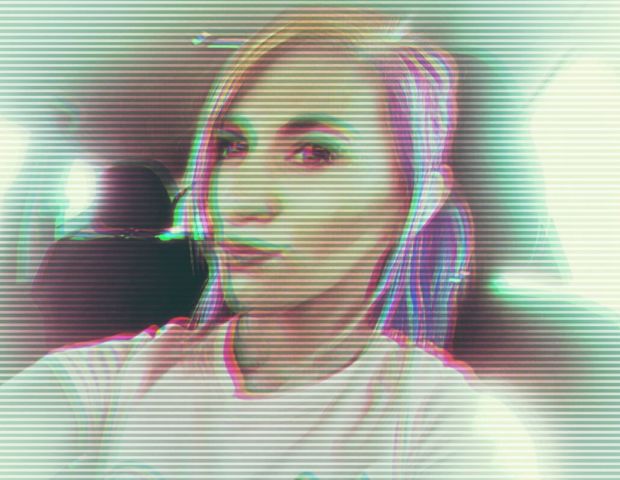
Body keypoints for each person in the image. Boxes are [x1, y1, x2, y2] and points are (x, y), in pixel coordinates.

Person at [0, 8, 538, 479]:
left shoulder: (441, 415)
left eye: (315, 153)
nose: (237, 199)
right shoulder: (118, 374)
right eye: (233, 147)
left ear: (415, 202)